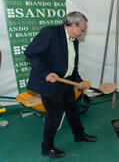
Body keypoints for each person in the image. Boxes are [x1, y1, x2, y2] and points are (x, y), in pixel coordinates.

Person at [24, 11, 97, 158]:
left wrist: (78, 81)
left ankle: (79, 135)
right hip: (50, 84)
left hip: (66, 82)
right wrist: (45, 73)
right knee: (54, 118)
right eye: (82, 30)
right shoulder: (50, 33)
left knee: (72, 109)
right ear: (74, 26)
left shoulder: (74, 40)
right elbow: (30, 53)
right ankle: (47, 148)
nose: (83, 34)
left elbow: (71, 65)